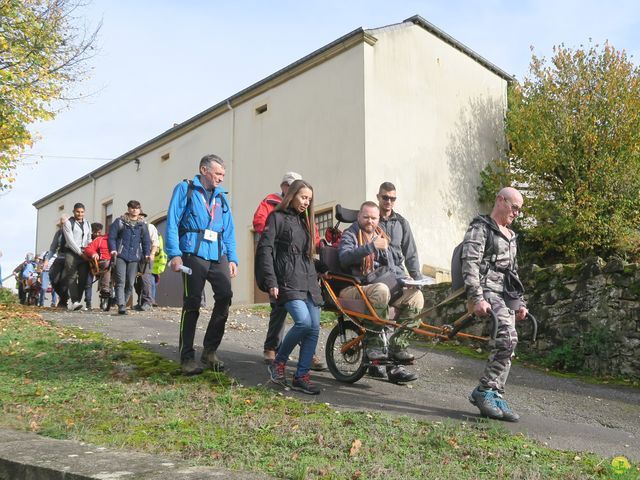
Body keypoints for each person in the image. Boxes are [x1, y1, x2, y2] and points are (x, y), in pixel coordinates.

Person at [165, 154, 239, 375]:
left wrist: (233, 258)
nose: (221, 179)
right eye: (218, 174)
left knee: (225, 295)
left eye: (223, 175)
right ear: (204, 170)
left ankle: (209, 351)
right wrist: (175, 254)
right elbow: (172, 221)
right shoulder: (185, 189)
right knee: (193, 302)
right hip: (192, 253)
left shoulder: (221, 198)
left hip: (217, 253)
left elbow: (229, 230)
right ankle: (187, 357)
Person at [338, 201, 424, 384]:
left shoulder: (382, 237)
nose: (370, 221)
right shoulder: (350, 234)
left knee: (416, 296)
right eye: (366, 217)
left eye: (374, 218)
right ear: (359, 217)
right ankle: (374, 346)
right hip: (355, 286)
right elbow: (344, 259)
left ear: (379, 219)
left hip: (380, 286)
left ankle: (397, 346)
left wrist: (407, 281)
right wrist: (371, 247)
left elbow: (393, 268)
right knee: (382, 290)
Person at [463, 186, 527, 422]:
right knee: (507, 339)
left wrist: (520, 302)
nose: (517, 213)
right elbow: (469, 264)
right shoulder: (480, 228)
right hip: (487, 290)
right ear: (500, 200)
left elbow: (514, 273)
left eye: (520, 210)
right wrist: (476, 297)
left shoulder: (511, 237)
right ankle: (483, 391)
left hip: (505, 294)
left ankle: (496, 393)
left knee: (509, 345)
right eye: (514, 207)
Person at [252, 171, 326, 371]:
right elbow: (265, 250)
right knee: (303, 322)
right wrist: (271, 281)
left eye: (309, 199)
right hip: (287, 280)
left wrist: (323, 266)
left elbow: (305, 256)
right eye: (303, 197)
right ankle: (279, 362)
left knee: (313, 329)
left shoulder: (306, 222)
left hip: (309, 282)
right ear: (291, 194)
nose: (306, 203)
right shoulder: (276, 216)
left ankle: (302, 376)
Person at [108, 200, 151, 315]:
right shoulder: (120, 222)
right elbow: (111, 237)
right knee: (121, 281)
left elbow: (146, 241)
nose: (134, 210)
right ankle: (121, 306)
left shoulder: (142, 225)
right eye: (132, 208)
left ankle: (123, 302)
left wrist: (147, 253)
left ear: (139, 210)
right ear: (128, 209)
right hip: (121, 255)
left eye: (137, 208)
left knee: (130, 283)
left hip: (135, 257)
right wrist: (113, 249)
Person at [377, 182, 423, 280]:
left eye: (392, 199)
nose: (389, 201)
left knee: (417, 294)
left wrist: (417, 279)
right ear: (378, 197)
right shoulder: (371, 221)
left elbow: (411, 254)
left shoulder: (402, 223)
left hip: (398, 273)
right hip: (377, 273)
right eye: (385, 197)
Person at [62, 203, 92, 311]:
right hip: (72, 252)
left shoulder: (88, 223)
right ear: (73, 212)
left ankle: (77, 302)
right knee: (72, 276)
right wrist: (80, 253)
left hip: (84, 252)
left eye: (82, 212)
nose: (80, 214)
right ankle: (74, 301)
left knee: (83, 278)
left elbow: (89, 239)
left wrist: (90, 251)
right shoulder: (68, 223)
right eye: (78, 212)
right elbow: (70, 241)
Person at [83, 222, 112, 306]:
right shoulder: (96, 239)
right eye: (95, 232)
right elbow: (88, 248)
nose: (96, 234)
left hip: (106, 262)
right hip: (92, 262)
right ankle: (88, 301)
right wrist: (93, 254)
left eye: (98, 232)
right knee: (88, 280)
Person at [136, 211, 158, 311]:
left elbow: (155, 242)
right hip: (134, 255)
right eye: (138, 216)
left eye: (142, 216)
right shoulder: (133, 227)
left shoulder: (150, 227)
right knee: (136, 281)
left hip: (146, 256)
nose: (140, 217)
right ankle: (140, 301)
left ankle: (147, 302)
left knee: (146, 278)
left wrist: (152, 254)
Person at [46, 214, 69, 307]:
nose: (63, 225)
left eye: (65, 223)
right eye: (61, 224)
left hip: (70, 258)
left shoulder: (74, 232)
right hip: (59, 258)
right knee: (53, 277)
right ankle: (64, 297)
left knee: (64, 280)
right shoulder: (58, 233)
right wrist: (47, 260)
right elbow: (53, 248)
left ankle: (63, 301)